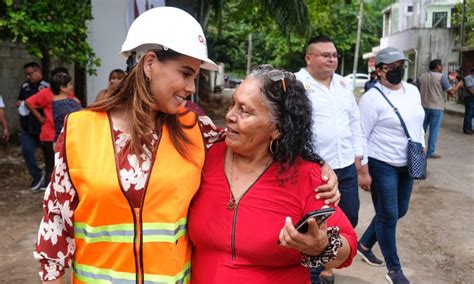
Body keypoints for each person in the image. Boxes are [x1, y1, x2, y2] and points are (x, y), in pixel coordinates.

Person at [33, 7, 340, 283]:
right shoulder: (78, 130)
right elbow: (56, 226)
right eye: (185, 73)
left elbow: (264, 136)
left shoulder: (197, 131)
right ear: (151, 62)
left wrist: (317, 163)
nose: (191, 88)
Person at [188, 65, 356, 283]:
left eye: (244, 111)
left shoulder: (306, 175)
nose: (229, 115)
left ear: (277, 128)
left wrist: (322, 246)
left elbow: (349, 244)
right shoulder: (205, 156)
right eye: (233, 104)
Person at [295, 35, 363, 284]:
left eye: (334, 55)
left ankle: (325, 261)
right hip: (314, 170)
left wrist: (359, 155)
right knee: (316, 221)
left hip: (345, 165)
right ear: (309, 58)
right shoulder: (296, 84)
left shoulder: (344, 85)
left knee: (350, 217)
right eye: (325, 55)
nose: (331, 59)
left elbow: (355, 121)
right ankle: (314, 272)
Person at [357, 47, 425, 284]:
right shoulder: (371, 99)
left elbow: (418, 121)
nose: (398, 71)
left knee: (400, 211)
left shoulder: (413, 91)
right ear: (379, 71)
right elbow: (361, 135)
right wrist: (363, 170)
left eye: (401, 66)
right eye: (392, 67)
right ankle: (394, 269)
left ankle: (364, 244)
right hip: (381, 162)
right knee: (388, 215)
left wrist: (422, 145)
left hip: (407, 160)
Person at [26, 67, 79, 190]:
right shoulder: (49, 95)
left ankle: (53, 185)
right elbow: (29, 102)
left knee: (57, 163)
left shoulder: (66, 96)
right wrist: (40, 117)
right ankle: (51, 185)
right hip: (51, 134)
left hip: (58, 135)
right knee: (53, 163)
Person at [418, 59, 462, 159]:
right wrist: (459, 85)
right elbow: (451, 92)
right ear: (438, 66)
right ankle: (430, 152)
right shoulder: (442, 77)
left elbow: (416, 89)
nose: (442, 68)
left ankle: (418, 150)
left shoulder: (422, 76)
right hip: (436, 107)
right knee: (434, 130)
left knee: (421, 130)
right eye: (442, 66)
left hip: (423, 106)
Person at [17, 61, 50, 190]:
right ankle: (37, 176)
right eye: (26, 74)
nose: (28, 77)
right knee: (27, 150)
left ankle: (49, 179)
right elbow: (20, 100)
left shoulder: (47, 85)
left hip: (43, 126)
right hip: (27, 126)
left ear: (38, 71)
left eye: (30, 74)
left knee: (48, 155)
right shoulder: (25, 86)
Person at [50, 72, 82, 141]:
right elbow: (79, 118)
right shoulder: (66, 104)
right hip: (68, 140)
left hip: (61, 139)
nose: (71, 87)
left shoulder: (55, 101)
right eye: (70, 84)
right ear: (62, 88)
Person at [462, 68, 474, 135]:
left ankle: (469, 128)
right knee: (469, 114)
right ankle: (466, 129)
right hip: (469, 98)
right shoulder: (468, 78)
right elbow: (470, 89)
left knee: (471, 114)